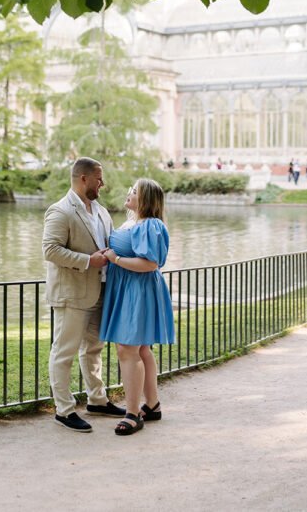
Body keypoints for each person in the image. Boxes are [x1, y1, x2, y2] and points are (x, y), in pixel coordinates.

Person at [42, 157, 125, 433]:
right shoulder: (60, 211)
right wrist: (89, 260)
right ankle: (64, 410)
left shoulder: (100, 210)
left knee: (94, 349)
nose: (102, 183)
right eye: (99, 178)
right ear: (84, 179)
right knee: (63, 352)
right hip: (72, 293)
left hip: (99, 290)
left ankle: (97, 400)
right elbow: (50, 250)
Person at [100, 178, 175, 436]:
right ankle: (151, 405)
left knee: (127, 349)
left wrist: (115, 258)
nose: (128, 192)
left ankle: (133, 414)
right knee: (141, 349)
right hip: (128, 289)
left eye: (134, 191)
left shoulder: (150, 225)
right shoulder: (132, 222)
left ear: (146, 199)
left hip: (138, 290)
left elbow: (150, 264)